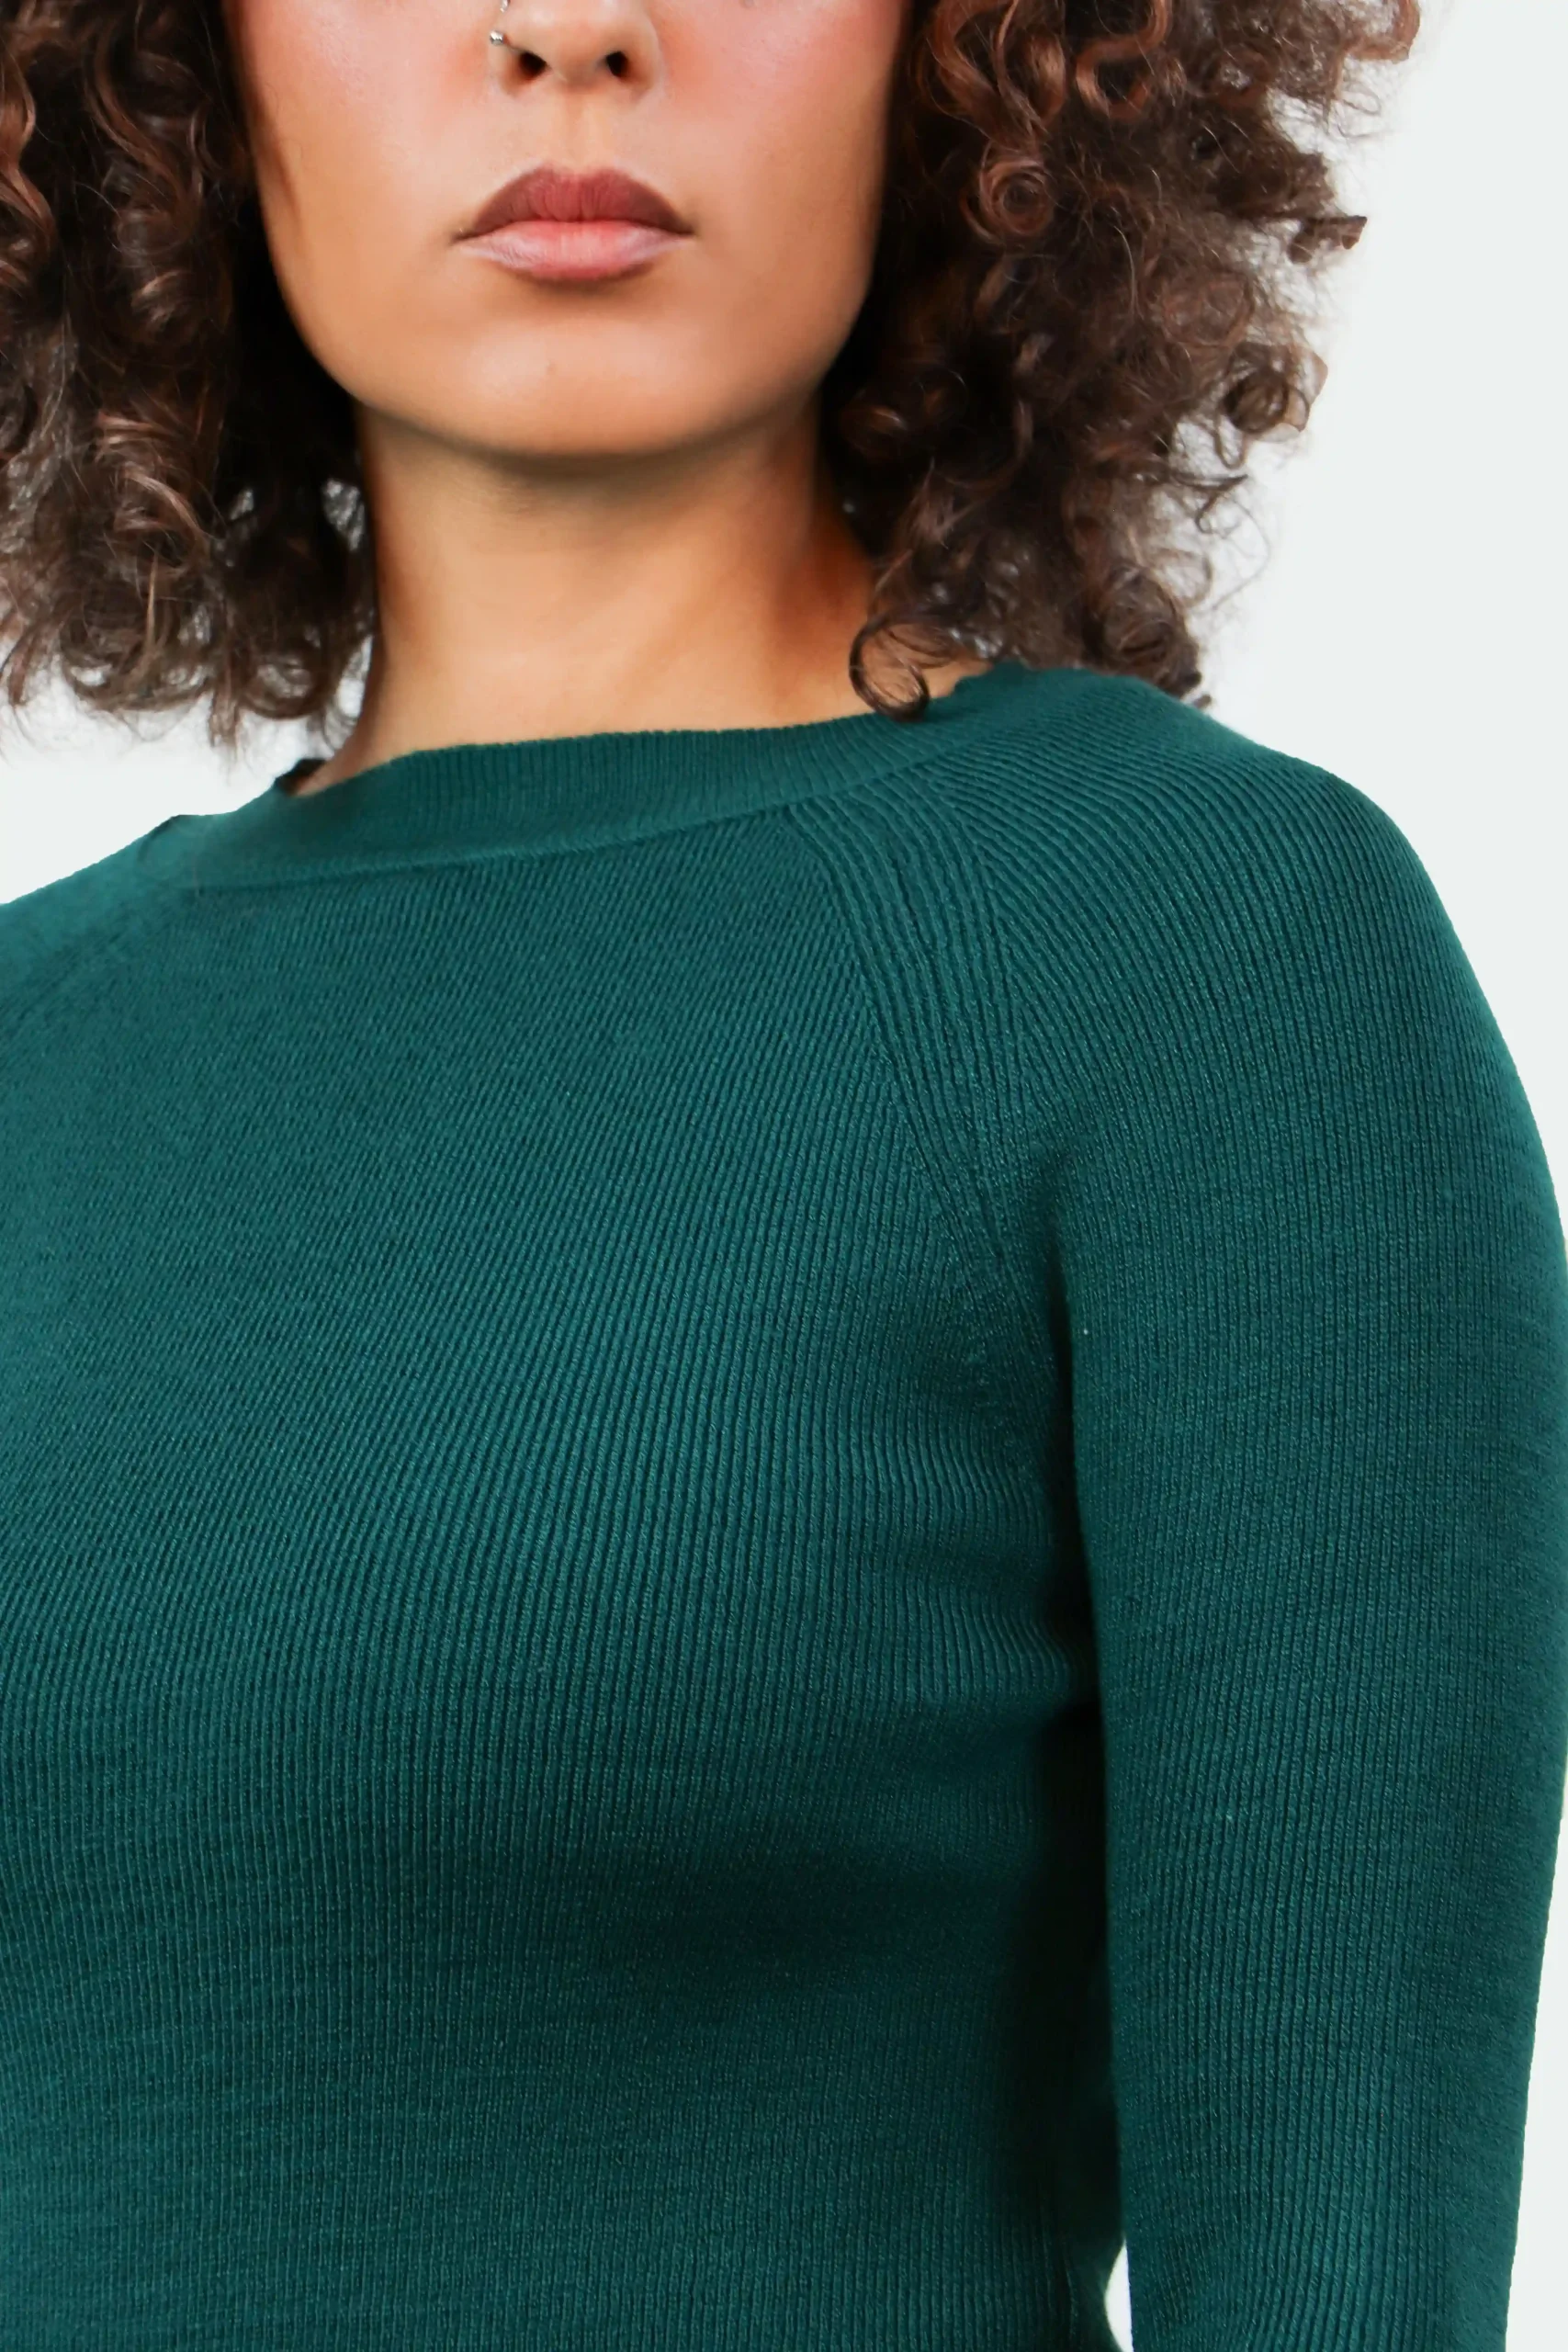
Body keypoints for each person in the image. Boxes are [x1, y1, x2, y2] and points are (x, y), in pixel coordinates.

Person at [0, 2, 1562, 2347]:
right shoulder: (31, 1048)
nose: (570, 31)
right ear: (174, 64)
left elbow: (1332, 2272)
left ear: (972, 49)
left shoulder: (1203, 960)